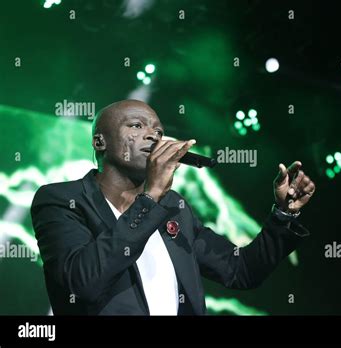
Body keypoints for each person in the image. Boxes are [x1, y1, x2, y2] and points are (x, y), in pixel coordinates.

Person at [31, 99, 316, 315]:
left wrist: (283, 214)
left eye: (158, 130)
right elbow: (84, 283)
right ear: (99, 141)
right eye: (136, 126)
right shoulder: (61, 200)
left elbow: (240, 270)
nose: (153, 136)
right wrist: (151, 196)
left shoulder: (173, 207)